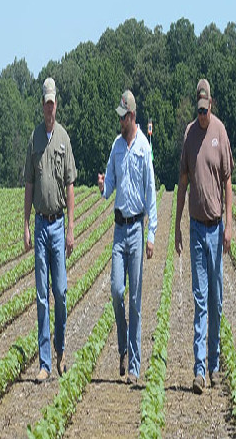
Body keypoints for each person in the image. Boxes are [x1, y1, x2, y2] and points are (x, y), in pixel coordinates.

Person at [174, 78, 234, 395]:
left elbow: (227, 181)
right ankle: (199, 370)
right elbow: (182, 182)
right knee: (200, 301)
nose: (201, 115)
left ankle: (214, 364)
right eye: (198, 110)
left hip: (215, 227)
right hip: (196, 228)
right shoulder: (189, 135)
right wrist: (177, 227)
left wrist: (229, 225)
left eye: (205, 109)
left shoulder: (219, 133)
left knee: (216, 301)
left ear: (211, 103)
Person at [97, 89, 157, 385]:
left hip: (136, 230)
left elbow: (151, 192)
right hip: (119, 229)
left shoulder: (144, 148)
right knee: (117, 290)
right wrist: (102, 186)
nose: (120, 122)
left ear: (131, 116)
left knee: (135, 301)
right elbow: (109, 184)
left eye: (123, 117)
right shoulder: (116, 147)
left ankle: (134, 365)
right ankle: (122, 346)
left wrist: (152, 235)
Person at [24, 77, 77, 382]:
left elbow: (70, 185)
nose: (49, 107)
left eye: (52, 103)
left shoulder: (63, 139)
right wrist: (26, 225)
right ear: (42, 104)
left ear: (56, 104)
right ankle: (44, 362)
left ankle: (60, 350)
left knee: (61, 291)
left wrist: (71, 227)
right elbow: (29, 184)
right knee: (42, 296)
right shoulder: (34, 140)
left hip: (58, 225)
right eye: (45, 103)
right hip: (41, 224)